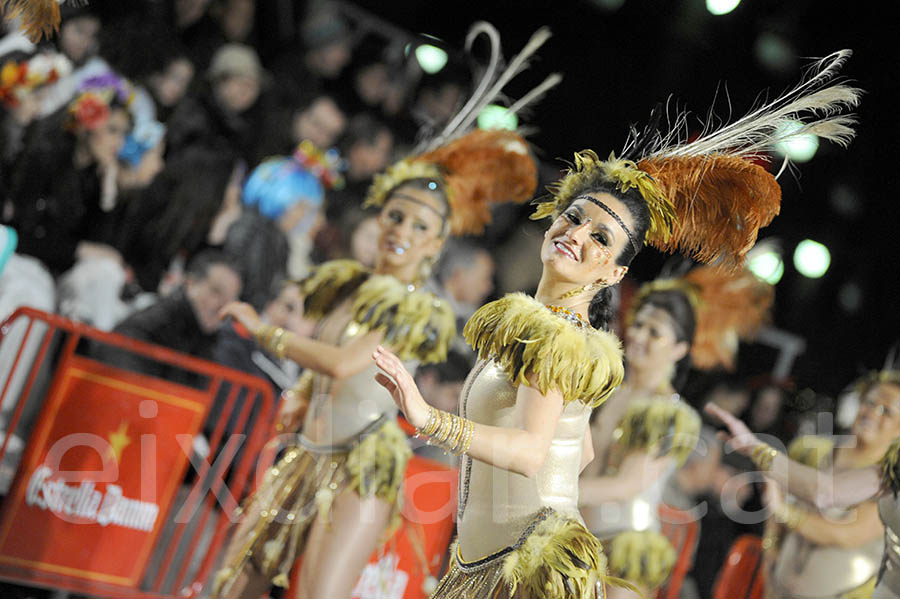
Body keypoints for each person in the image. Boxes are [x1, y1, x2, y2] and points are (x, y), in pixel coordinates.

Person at [372, 45, 859, 599]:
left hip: (526, 567)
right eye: (573, 217)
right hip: (488, 559)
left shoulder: (557, 337)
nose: (576, 234)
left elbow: (532, 452)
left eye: (599, 237)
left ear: (613, 272)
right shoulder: (536, 326)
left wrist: (426, 416)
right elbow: (579, 451)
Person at [211, 124, 538, 599]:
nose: (402, 231)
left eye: (419, 226)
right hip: (306, 454)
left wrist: (264, 332)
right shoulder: (349, 285)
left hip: (360, 466)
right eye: (396, 216)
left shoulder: (413, 305)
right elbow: (324, 374)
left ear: (436, 243)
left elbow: (344, 363)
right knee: (231, 584)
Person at [578, 266, 771, 598]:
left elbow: (628, 484)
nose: (639, 336)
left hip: (620, 550)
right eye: (638, 324)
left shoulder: (669, 413)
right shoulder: (605, 388)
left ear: (680, 349)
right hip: (572, 532)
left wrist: (553, 491)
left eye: (655, 332)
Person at [707, 370, 900, 598]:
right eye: (869, 402)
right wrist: (770, 549)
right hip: (777, 585)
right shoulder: (812, 450)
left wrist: (783, 510)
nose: (871, 413)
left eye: (886, 411)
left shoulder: (888, 478)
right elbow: (814, 492)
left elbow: (847, 531)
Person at [92, 249, 242, 384]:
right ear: (190, 283)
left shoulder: (212, 345)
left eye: (231, 300)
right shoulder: (156, 322)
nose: (223, 307)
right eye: (216, 291)